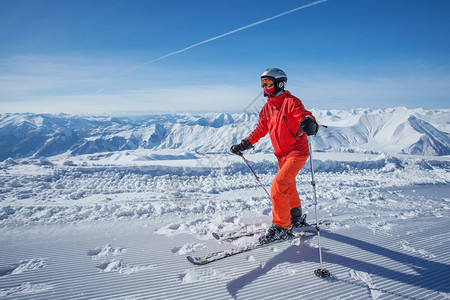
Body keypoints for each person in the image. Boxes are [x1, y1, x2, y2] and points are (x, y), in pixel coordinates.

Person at [231, 68, 319, 244]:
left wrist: (310, 123)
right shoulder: (267, 108)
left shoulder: (291, 101)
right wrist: (246, 143)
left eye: (268, 82)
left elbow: (303, 115)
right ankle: (295, 217)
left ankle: (281, 227)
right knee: (288, 185)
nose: (264, 86)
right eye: (262, 83)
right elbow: (261, 130)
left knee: (278, 186)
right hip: (281, 155)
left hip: (297, 152)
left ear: (280, 83)